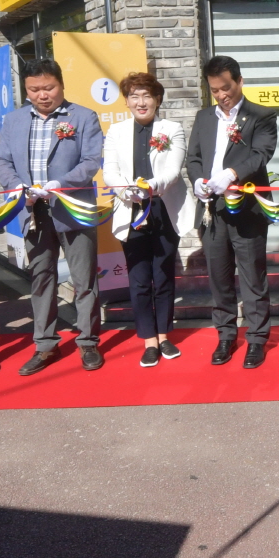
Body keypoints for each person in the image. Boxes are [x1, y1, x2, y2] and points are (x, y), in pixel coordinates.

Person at [0, 58, 106, 375]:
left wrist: (61, 184)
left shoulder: (83, 117)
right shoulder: (14, 120)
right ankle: (45, 345)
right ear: (26, 90)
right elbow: (2, 160)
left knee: (84, 279)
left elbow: (91, 160)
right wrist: (18, 187)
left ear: (61, 85)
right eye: (34, 90)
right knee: (41, 278)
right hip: (33, 210)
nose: (42, 95)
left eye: (49, 88)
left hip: (72, 208)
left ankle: (88, 342)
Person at [185, 56, 278, 368]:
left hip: (246, 208)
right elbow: (194, 157)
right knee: (219, 276)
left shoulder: (261, 115)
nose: (222, 95)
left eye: (226, 88)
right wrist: (197, 180)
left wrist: (231, 173)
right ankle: (225, 334)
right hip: (211, 209)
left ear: (239, 81)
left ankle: (257, 338)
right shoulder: (204, 117)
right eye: (215, 90)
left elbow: (260, 154)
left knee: (252, 277)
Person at [103, 72, 188, 368]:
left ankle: (164, 336)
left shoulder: (172, 129)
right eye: (134, 96)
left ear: (157, 100)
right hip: (131, 209)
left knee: (163, 275)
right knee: (139, 278)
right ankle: (149, 341)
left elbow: (173, 170)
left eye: (147, 96)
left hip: (163, 208)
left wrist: (150, 186)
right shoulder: (116, 131)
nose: (141, 102)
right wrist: (126, 190)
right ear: (127, 101)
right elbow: (110, 171)